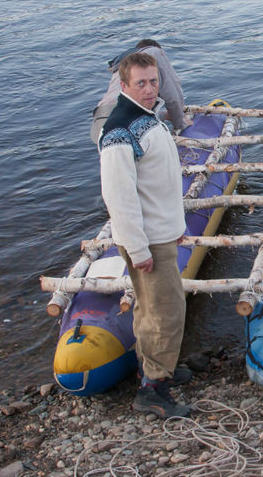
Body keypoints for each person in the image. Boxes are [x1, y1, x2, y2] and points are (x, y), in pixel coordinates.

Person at [98, 51, 192, 416]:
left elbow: (158, 184)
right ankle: (153, 390)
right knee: (165, 312)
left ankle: (152, 369)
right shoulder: (119, 131)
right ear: (124, 86)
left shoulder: (145, 118)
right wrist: (138, 249)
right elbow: (118, 199)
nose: (151, 88)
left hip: (161, 232)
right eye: (141, 83)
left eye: (154, 81)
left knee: (150, 308)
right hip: (147, 239)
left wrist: (177, 228)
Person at [90, 39, 191, 144]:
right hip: (124, 125)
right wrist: (180, 123)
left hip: (99, 123)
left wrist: (165, 115)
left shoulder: (123, 65)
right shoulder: (155, 52)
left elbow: (131, 108)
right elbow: (173, 95)